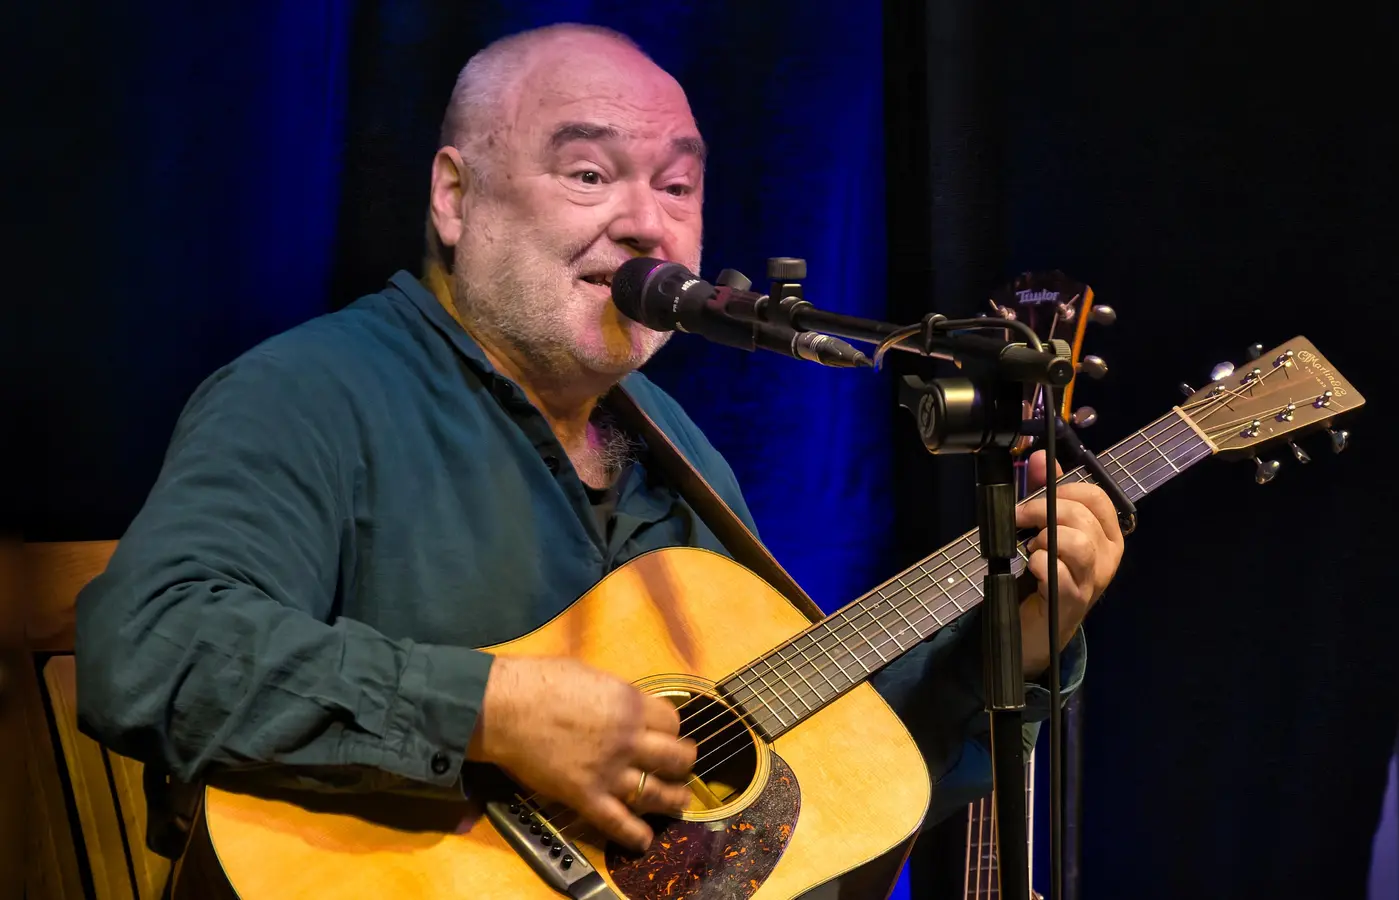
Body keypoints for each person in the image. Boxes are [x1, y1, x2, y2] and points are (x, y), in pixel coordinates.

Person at [74, 21, 1122, 877]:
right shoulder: (311, 392)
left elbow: (815, 791)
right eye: (587, 174)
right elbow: (151, 650)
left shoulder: (687, 461)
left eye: (676, 188)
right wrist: (493, 712)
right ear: (453, 195)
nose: (644, 227)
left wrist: (1020, 641)